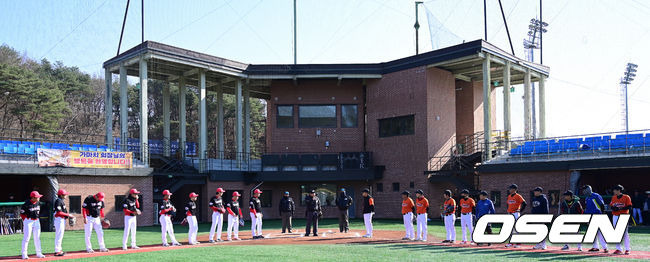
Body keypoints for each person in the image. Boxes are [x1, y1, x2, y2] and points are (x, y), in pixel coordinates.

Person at [582, 185, 608, 253]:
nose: (583, 191)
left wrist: (602, 215)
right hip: (590, 216)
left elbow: (602, 205)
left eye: (584, 189)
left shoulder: (596, 196)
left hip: (597, 216)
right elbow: (587, 208)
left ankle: (605, 247)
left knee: (599, 232)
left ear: (588, 189)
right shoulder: (587, 198)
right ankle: (595, 247)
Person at [20, 191, 45, 259]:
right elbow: (22, 214)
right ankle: (24, 254)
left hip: (36, 221)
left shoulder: (38, 203)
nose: (39, 198)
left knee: (37, 237)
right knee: (27, 237)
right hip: (28, 221)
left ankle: (39, 253)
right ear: (33, 197)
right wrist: (25, 220)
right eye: (37, 197)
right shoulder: (26, 204)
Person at [610, 184, 632, 255]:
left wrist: (620, 208)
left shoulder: (626, 197)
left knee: (625, 233)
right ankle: (618, 249)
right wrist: (614, 208)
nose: (613, 191)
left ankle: (627, 249)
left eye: (614, 190)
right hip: (615, 216)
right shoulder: (613, 197)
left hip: (623, 216)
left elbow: (629, 206)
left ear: (619, 190)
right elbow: (611, 206)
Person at [505, 184, 526, 248]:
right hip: (510, 214)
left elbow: (524, 203)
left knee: (516, 228)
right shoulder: (509, 196)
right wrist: (508, 210)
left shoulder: (518, 196)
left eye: (511, 188)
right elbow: (508, 204)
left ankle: (518, 243)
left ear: (514, 189)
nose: (509, 190)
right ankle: (511, 242)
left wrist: (520, 210)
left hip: (515, 214)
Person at [53, 189, 74, 256]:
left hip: (61, 219)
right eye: (65, 194)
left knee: (60, 235)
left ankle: (59, 249)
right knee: (59, 235)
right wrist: (68, 215)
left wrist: (67, 216)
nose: (66, 196)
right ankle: (57, 251)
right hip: (59, 219)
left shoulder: (61, 201)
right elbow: (59, 212)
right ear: (61, 195)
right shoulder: (58, 201)